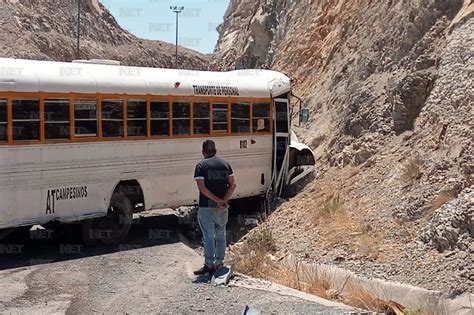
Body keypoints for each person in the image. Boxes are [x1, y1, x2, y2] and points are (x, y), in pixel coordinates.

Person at [193, 140, 236, 275]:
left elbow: (201, 187)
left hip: (207, 207)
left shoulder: (201, 165)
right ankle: (219, 263)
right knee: (221, 235)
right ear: (215, 151)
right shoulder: (225, 165)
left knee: (208, 237)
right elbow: (233, 185)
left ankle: (209, 266)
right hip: (222, 208)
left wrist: (216, 200)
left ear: (203, 152)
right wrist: (223, 200)